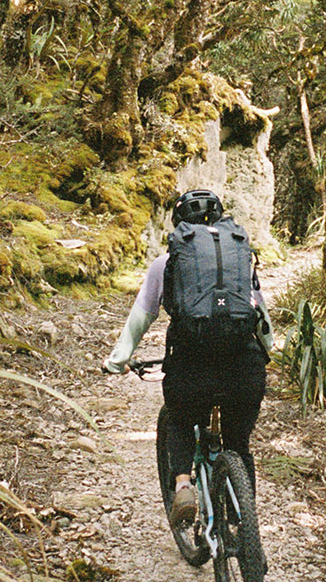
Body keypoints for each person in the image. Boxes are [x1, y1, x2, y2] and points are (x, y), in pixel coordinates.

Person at [102, 190, 273, 528]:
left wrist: (118, 361)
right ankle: (245, 526)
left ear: (180, 225)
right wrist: (269, 351)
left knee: (179, 418)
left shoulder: (166, 263)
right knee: (238, 444)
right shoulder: (238, 258)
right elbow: (261, 317)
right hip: (244, 367)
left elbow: (140, 319)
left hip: (192, 366)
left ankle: (182, 485)